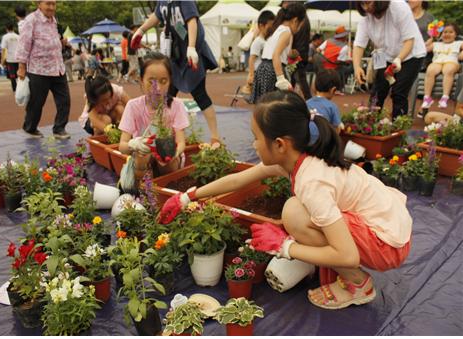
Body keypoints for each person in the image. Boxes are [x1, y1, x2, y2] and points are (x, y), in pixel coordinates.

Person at [159, 90, 412, 310]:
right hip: (383, 221)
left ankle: (358, 285)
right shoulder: (298, 156)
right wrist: (186, 197)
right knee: (297, 212)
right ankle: (330, 265)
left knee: (294, 214)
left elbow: (347, 255)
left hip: (386, 242)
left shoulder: (312, 181)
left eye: (256, 137)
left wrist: (284, 248)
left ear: (280, 144)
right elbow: (239, 180)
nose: (253, 144)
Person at [130, 0, 221, 144]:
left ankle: (215, 137)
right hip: (175, 56)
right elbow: (157, 15)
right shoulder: (163, 1)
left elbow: (192, 21)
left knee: (200, 95)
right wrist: (141, 30)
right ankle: (164, 133)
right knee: (166, 96)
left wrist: (191, 47)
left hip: (191, 55)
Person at [119, 52, 189, 182]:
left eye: (163, 81)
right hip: (142, 159)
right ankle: (142, 189)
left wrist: (174, 153)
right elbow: (122, 146)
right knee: (141, 156)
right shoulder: (133, 106)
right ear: (141, 81)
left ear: (170, 81)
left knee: (169, 161)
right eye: (151, 82)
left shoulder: (176, 105)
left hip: (168, 160)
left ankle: (166, 187)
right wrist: (134, 144)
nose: (157, 88)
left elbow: (181, 142)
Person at [353, 1, 426, 120]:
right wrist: (357, 67)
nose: (366, 8)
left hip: (411, 54)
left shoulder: (399, 7)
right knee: (377, 91)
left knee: (398, 93)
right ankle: (371, 124)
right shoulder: (365, 17)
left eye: (368, 3)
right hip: (382, 53)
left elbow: (409, 41)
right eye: (362, 4)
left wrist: (398, 60)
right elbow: (359, 44)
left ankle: (398, 128)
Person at [15, 0, 70, 139]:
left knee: (64, 100)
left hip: (58, 68)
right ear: (39, 4)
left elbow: (52, 39)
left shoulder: (54, 21)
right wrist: (21, 67)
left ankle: (59, 129)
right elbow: (23, 44)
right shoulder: (31, 20)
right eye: (48, 4)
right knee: (37, 102)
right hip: (39, 69)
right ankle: (30, 128)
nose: (51, 7)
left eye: (54, 4)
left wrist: (61, 43)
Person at [250, 3, 307, 104]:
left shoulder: (278, 28)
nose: (299, 29)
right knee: (275, 106)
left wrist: (291, 54)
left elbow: (280, 52)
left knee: (264, 106)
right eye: (300, 26)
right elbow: (276, 54)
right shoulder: (286, 32)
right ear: (295, 21)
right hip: (273, 70)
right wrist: (281, 78)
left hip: (264, 68)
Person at [420, 23, 463, 110]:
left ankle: (445, 97)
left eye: (450, 32)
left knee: (448, 69)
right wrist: (429, 41)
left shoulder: (459, 43)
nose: (447, 34)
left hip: (452, 62)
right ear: (440, 34)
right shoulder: (436, 44)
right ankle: (427, 97)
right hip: (437, 62)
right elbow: (421, 51)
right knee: (430, 70)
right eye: (444, 32)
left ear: (455, 34)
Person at [281, 0, 312, 100]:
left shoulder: (300, 20)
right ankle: (291, 99)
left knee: (300, 79)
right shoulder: (303, 19)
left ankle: (309, 101)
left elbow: (296, 37)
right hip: (300, 52)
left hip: (297, 54)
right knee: (294, 79)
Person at [247, 10, 276, 88]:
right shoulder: (258, 42)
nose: (272, 29)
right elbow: (251, 59)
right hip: (258, 73)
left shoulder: (267, 40)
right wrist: (251, 75)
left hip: (264, 73)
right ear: (261, 26)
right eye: (269, 27)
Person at [408, 0, 434, 70]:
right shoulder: (404, 16)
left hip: (424, 55)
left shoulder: (429, 17)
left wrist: (429, 43)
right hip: (406, 53)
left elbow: (434, 37)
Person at [1, 23, 20, 92]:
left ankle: (14, 88)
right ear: (13, 28)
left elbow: (3, 49)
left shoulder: (5, 37)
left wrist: (2, 60)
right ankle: (21, 87)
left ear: (6, 29)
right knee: (20, 73)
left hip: (10, 58)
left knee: (12, 74)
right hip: (19, 58)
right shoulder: (18, 36)